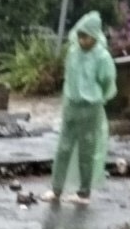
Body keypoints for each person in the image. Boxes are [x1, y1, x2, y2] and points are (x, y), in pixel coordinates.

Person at [42, 11, 118, 206]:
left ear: (94, 36)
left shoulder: (102, 57)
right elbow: (69, 77)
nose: (82, 40)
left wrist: (98, 97)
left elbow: (108, 81)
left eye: (86, 36)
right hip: (72, 105)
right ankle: (56, 189)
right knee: (63, 147)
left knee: (87, 150)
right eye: (80, 35)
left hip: (91, 108)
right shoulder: (73, 53)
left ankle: (84, 192)